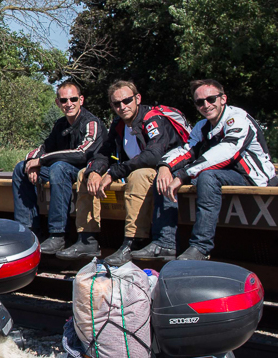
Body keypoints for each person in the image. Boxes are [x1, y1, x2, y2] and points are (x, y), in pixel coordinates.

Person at [57, 79, 190, 265]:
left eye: (126, 101)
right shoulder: (119, 123)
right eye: (116, 103)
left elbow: (153, 155)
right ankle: (87, 239)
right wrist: (95, 170)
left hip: (166, 171)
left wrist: (113, 173)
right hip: (134, 170)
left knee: (139, 175)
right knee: (84, 174)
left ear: (137, 98)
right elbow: (104, 151)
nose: (122, 106)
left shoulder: (153, 119)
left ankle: (133, 241)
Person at [156, 79, 278, 260]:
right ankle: (165, 244)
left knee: (207, 176)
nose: (206, 105)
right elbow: (187, 151)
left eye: (211, 99)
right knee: (165, 177)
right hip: (224, 174)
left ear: (223, 99)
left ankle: (200, 248)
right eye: (199, 102)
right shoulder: (202, 126)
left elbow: (226, 153)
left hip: (253, 177)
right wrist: (164, 167)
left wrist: (184, 175)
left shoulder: (238, 118)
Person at [11, 80, 102, 254]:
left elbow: (82, 154)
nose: (69, 104)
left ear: (81, 100)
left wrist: (42, 160)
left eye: (73, 99)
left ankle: (58, 235)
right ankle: (28, 231)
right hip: (61, 170)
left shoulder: (91, 123)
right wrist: (32, 162)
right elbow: (44, 149)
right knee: (21, 168)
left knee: (58, 167)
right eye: (64, 100)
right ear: (57, 103)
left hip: (86, 171)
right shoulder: (60, 125)